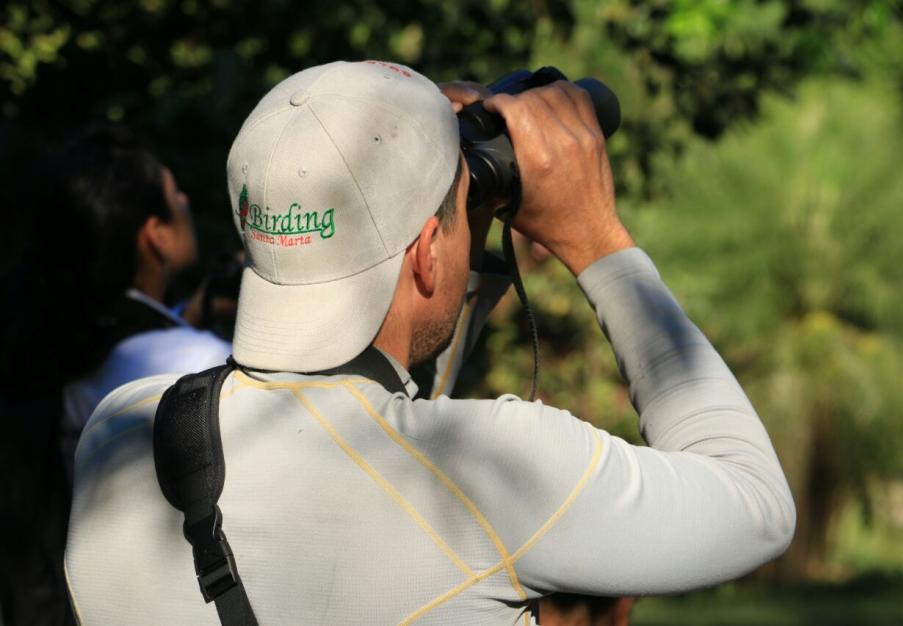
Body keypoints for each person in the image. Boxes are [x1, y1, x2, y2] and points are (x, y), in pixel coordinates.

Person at [65, 61, 795, 625]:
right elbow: (757, 505)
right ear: (424, 255)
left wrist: (449, 234)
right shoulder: (500, 469)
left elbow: (377, 432)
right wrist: (597, 239)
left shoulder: (123, 435)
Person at [48, 125, 232, 477]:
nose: (185, 201)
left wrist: (187, 316)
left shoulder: (53, 337)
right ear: (156, 236)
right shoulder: (198, 364)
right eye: (174, 193)